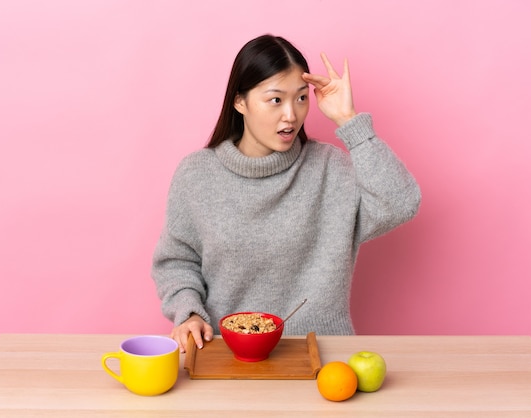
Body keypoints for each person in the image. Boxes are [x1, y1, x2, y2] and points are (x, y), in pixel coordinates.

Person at [152, 34, 421, 353]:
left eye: (301, 98)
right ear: (240, 102)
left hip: (320, 355)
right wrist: (189, 313)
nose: (291, 115)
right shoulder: (197, 174)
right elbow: (176, 261)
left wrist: (349, 122)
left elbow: (401, 203)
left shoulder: (329, 168)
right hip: (226, 354)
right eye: (276, 100)